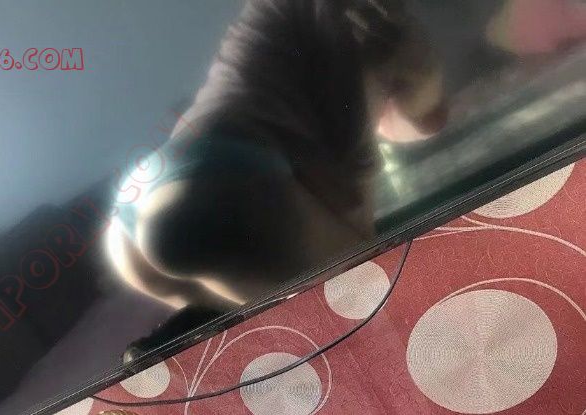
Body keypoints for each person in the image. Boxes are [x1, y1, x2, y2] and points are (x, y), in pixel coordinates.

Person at [109, 0, 448, 361]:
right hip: (219, 190)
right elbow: (420, 124)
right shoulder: (380, 22)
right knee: (374, 297)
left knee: (260, 312)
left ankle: (191, 329)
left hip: (144, 200)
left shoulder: (269, 9)